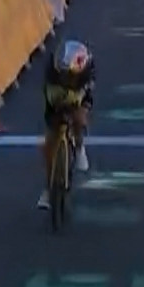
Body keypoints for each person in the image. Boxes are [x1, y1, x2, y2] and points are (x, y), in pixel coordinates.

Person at [38, 39, 95, 210]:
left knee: (79, 119)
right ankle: (48, 189)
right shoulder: (51, 72)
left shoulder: (87, 73)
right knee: (49, 144)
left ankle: (79, 148)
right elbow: (49, 99)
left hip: (79, 96)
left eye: (69, 76)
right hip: (55, 97)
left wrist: (79, 110)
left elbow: (86, 99)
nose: (66, 78)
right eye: (62, 75)